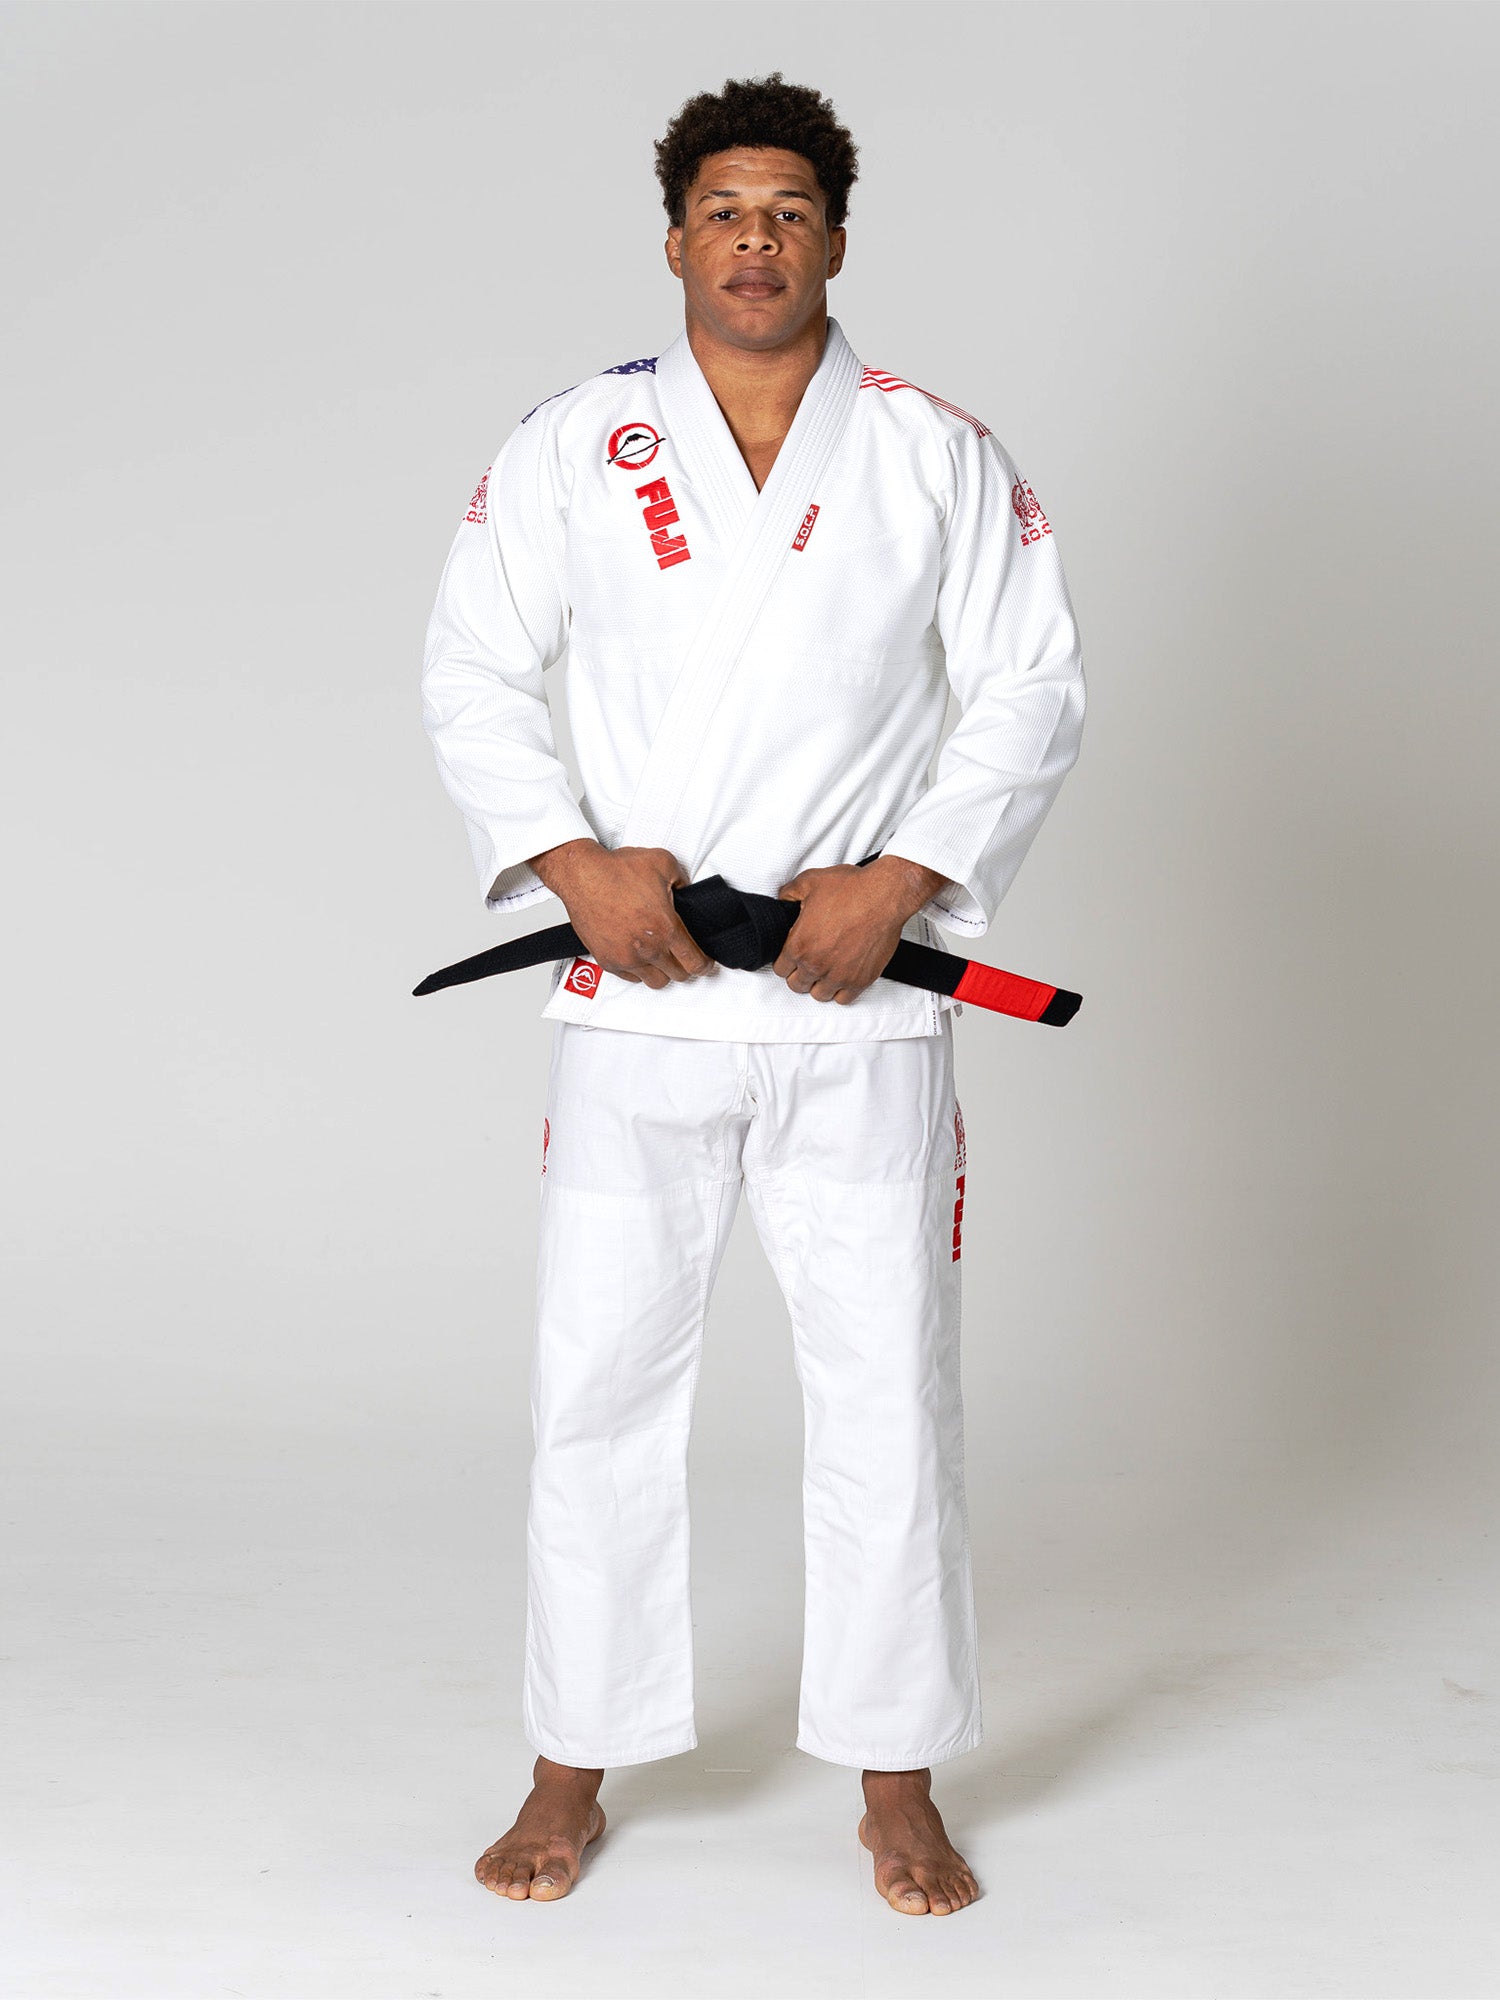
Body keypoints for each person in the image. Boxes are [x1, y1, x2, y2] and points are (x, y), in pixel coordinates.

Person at [420, 73, 1086, 1917]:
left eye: (791, 209)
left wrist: (907, 879)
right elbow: (475, 665)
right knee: (596, 1392)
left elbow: (1030, 686)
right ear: (674, 240)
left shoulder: (937, 451)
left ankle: (896, 1782)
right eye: (725, 209)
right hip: (639, 996)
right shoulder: (576, 446)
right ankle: (573, 1761)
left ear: (838, 242)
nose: (758, 239)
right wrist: (571, 860)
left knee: (887, 1391)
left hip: (856, 1009)